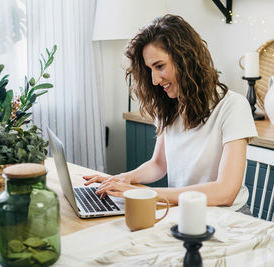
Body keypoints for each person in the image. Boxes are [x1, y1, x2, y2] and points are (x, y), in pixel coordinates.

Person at [84, 14, 257, 212]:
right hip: (182, 211)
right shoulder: (169, 106)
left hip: (227, 217)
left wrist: (143, 194)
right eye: (150, 69)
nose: (155, 80)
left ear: (186, 59)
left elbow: (225, 193)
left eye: (160, 66)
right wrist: (123, 179)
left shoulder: (233, 106)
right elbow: (158, 164)